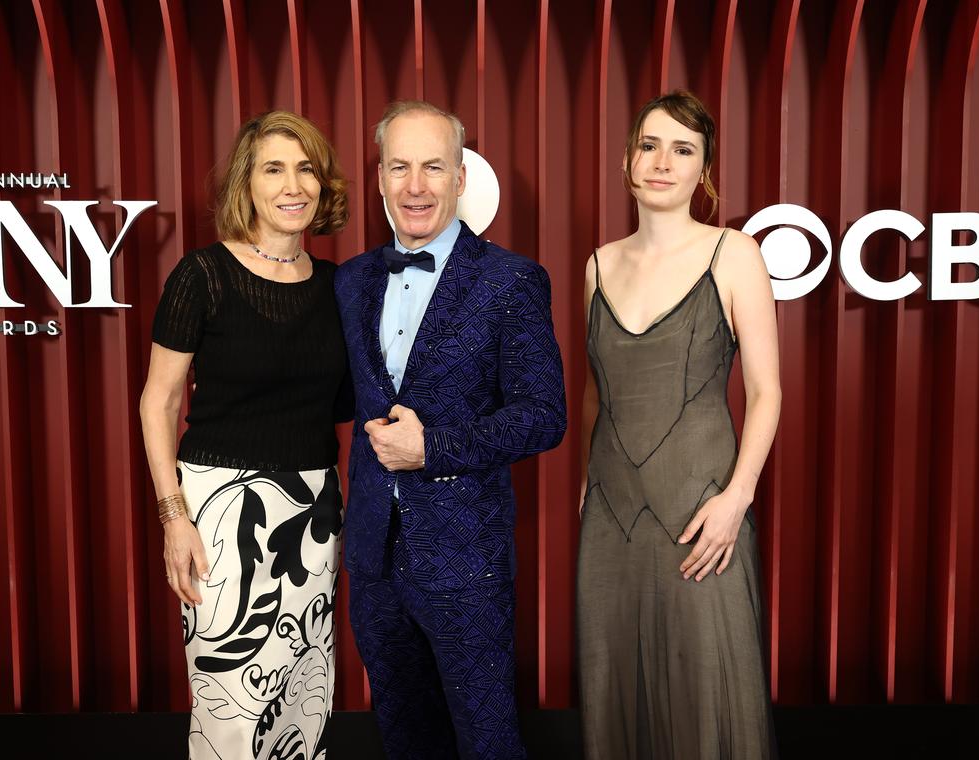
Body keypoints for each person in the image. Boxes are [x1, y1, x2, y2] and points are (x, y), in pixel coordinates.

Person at [334, 100, 567, 759]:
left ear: (461, 178)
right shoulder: (351, 283)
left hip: (467, 559)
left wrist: (432, 447)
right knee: (405, 739)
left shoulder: (511, 281)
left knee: (488, 742)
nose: (415, 185)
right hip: (374, 558)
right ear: (379, 178)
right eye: (400, 167)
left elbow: (544, 417)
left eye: (433, 167)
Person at [139, 110, 351, 760]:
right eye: (274, 169)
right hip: (218, 514)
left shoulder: (341, 287)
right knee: (227, 701)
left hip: (314, 510)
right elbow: (158, 402)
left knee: (302, 694)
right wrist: (173, 516)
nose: (294, 185)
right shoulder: (201, 276)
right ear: (247, 184)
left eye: (306, 167)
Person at [577, 90, 781, 759]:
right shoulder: (598, 265)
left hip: (704, 509)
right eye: (650, 145)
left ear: (704, 171)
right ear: (628, 161)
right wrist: (586, 487)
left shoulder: (735, 252)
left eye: (683, 149)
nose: (663, 162)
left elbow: (765, 389)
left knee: (710, 690)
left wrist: (738, 499)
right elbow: (594, 391)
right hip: (610, 516)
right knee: (614, 689)